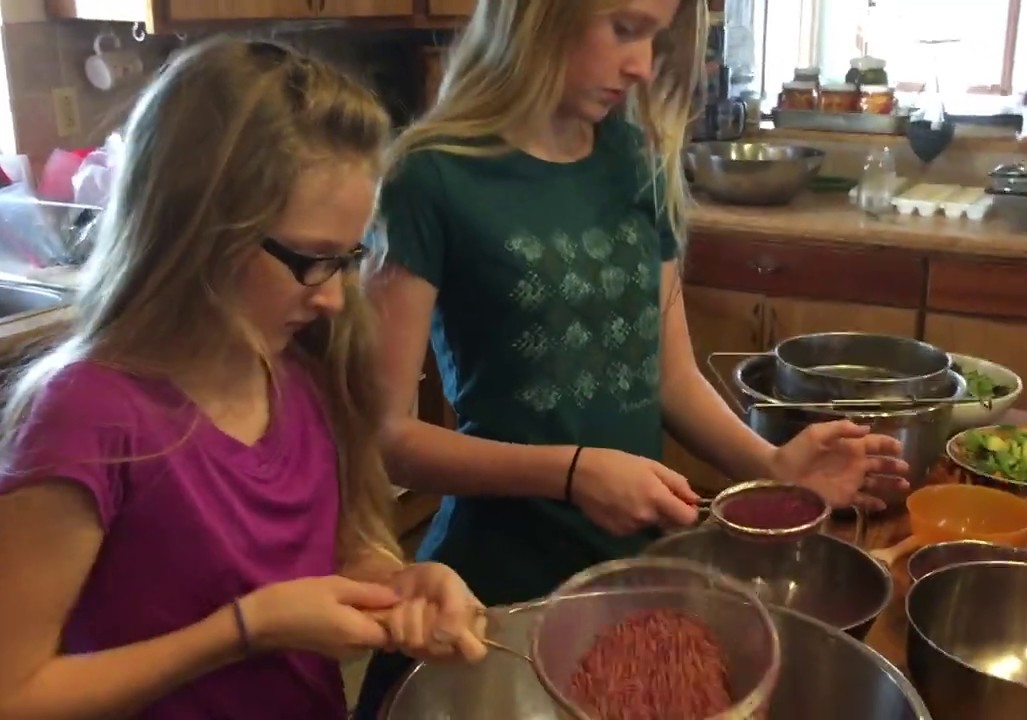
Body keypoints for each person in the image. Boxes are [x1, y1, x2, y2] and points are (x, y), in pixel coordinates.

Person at [355, 0, 909, 713]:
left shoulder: (634, 159)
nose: (642, 65)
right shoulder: (430, 179)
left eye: (654, 36)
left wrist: (771, 471)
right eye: (623, 28)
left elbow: (670, 378)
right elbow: (384, 438)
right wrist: (574, 472)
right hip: (496, 590)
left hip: (640, 578)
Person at [0, 38, 488, 720]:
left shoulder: (304, 372)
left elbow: (339, 553)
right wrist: (244, 630)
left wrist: (401, 583)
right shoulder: (89, 415)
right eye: (311, 259)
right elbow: (16, 693)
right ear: (199, 229)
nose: (335, 298)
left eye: (349, 256)